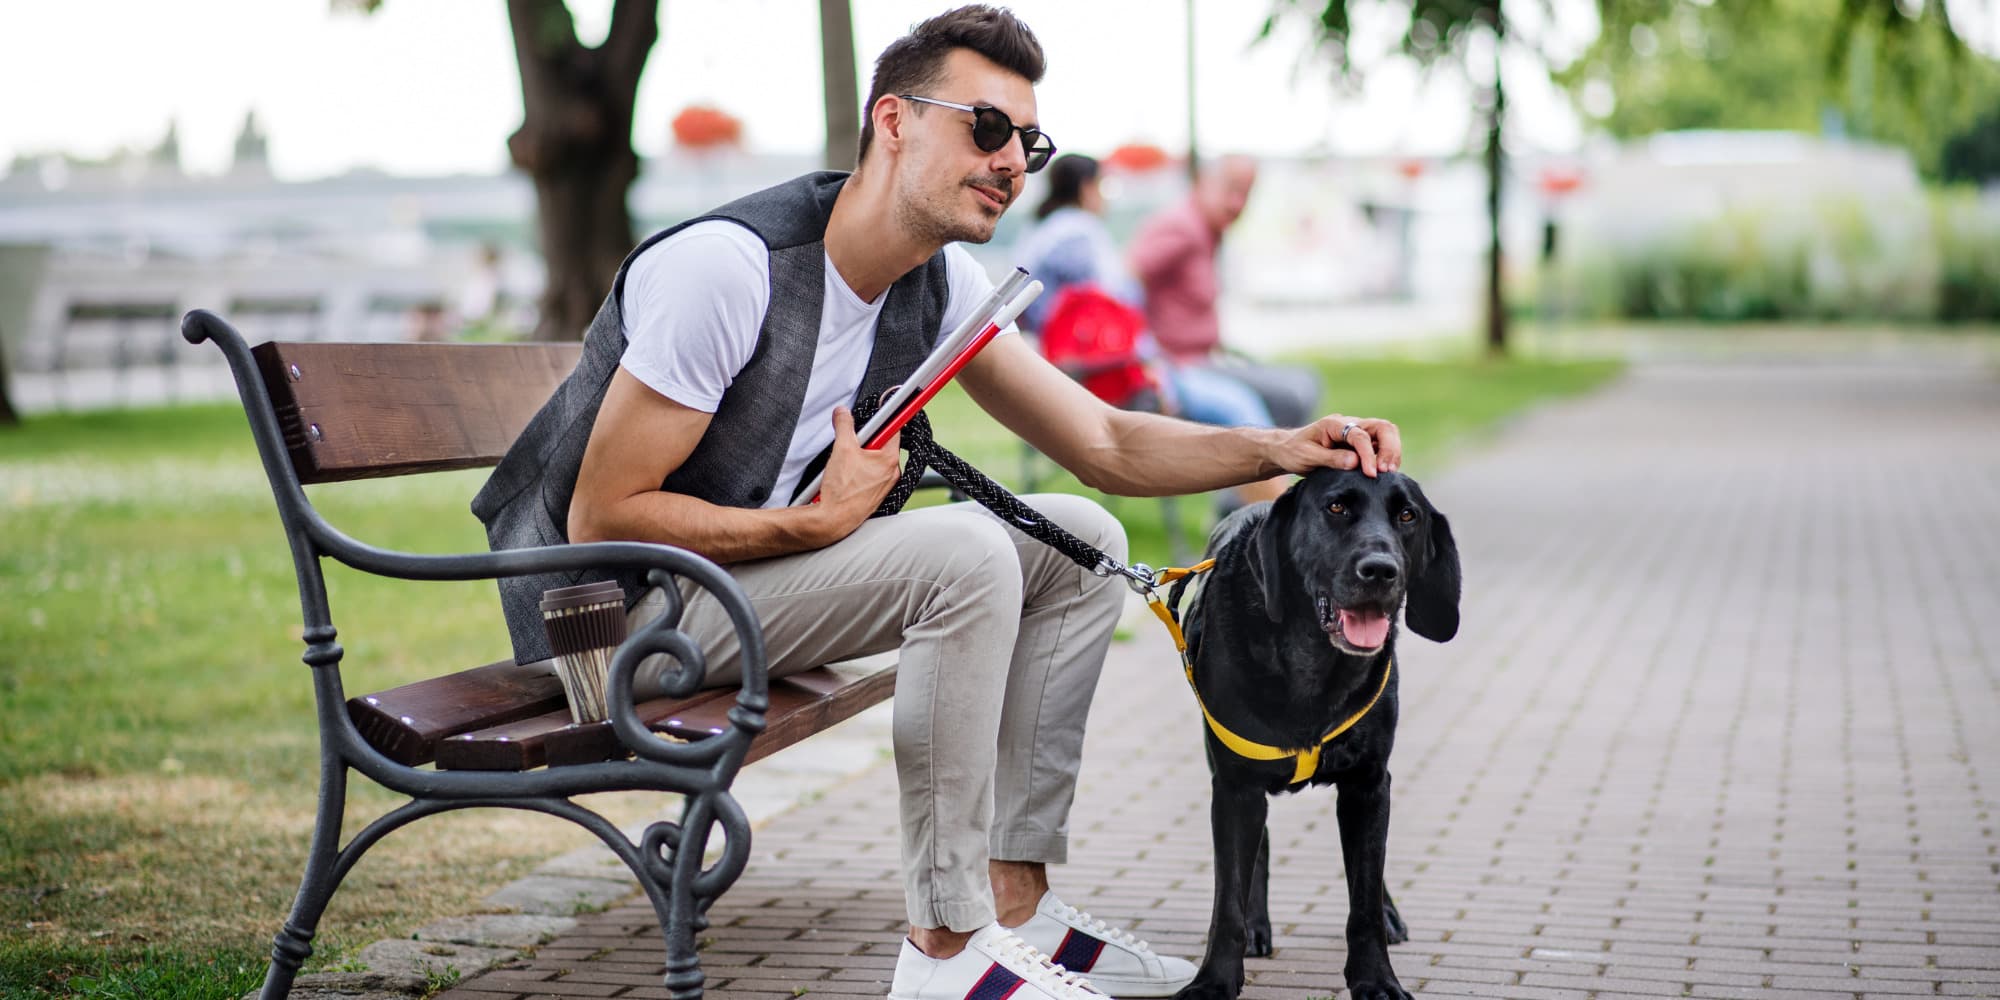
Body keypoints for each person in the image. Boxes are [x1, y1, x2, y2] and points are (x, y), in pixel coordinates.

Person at [471, 8, 1402, 1000]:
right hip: (616, 621)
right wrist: (812, 526)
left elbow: (1104, 441)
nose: (1011, 162)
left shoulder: (936, 282)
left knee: (1081, 538)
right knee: (963, 552)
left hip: (734, 586)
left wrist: (1278, 447)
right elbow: (600, 517)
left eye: (1027, 142)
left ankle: (1015, 903)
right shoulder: (728, 269)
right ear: (893, 121)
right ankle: (945, 952)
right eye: (985, 128)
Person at [1014, 153, 1292, 505]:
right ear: (1087, 189)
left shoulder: (1039, 233)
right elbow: (1110, 314)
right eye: (1104, 188)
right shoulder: (1079, 236)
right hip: (1109, 379)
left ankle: (1250, 519)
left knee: (1247, 402)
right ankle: (1271, 531)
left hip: (1064, 375)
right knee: (1240, 408)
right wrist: (1153, 363)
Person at [1129, 156, 1326, 503]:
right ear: (1204, 182)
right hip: (1175, 370)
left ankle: (1237, 510)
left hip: (1206, 361)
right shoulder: (1181, 227)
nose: (1238, 204)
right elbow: (1123, 280)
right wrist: (1146, 355)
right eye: (1232, 191)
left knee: (1301, 386)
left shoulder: (1207, 232)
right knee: (1247, 406)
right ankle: (1268, 519)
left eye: (1246, 195)